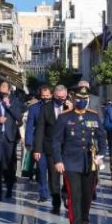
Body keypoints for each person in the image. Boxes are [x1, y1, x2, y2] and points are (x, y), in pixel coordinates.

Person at [52, 86, 107, 224]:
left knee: (87, 195)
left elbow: (102, 137)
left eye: (84, 99)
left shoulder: (93, 116)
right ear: (73, 98)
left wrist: (101, 155)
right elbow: (56, 141)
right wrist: (58, 160)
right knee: (74, 195)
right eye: (78, 99)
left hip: (89, 162)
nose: (81, 101)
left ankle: (84, 221)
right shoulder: (64, 117)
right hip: (70, 162)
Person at [34, 84, 69, 215]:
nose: (61, 99)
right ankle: (56, 203)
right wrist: (37, 148)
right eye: (58, 97)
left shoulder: (70, 107)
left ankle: (66, 197)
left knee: (68, 177)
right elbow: (40, 129)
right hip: (50, 148)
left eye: (63, 97)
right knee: (54, 178)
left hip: (68, 148)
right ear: (54, 95)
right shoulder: (45, 108)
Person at [25, 86, 52, 202]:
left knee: (53, 171)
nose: (45, 98)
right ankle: (43, 193)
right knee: (41, 169)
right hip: (39, 143)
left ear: (51, 95)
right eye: (43, 96)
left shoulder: (56, 107)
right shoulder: (33, 109)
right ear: (40, 96)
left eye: (47, 96)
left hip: (52, 143)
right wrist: (28, 142)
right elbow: (29, 127)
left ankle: (54, 191)